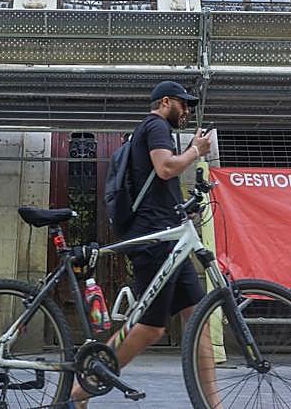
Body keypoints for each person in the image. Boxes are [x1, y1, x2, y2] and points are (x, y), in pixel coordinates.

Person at [68, 80, 216, 408]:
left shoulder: (150, 131)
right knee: (150, 329)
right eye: (183, 103)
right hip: (155, 239)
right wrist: (196, 150)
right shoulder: (156, 125)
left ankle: (214, 406)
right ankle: (80, 391)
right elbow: (165, 168)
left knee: (198, 318)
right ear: (165, 102)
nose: (188, 110)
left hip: (170, 238)